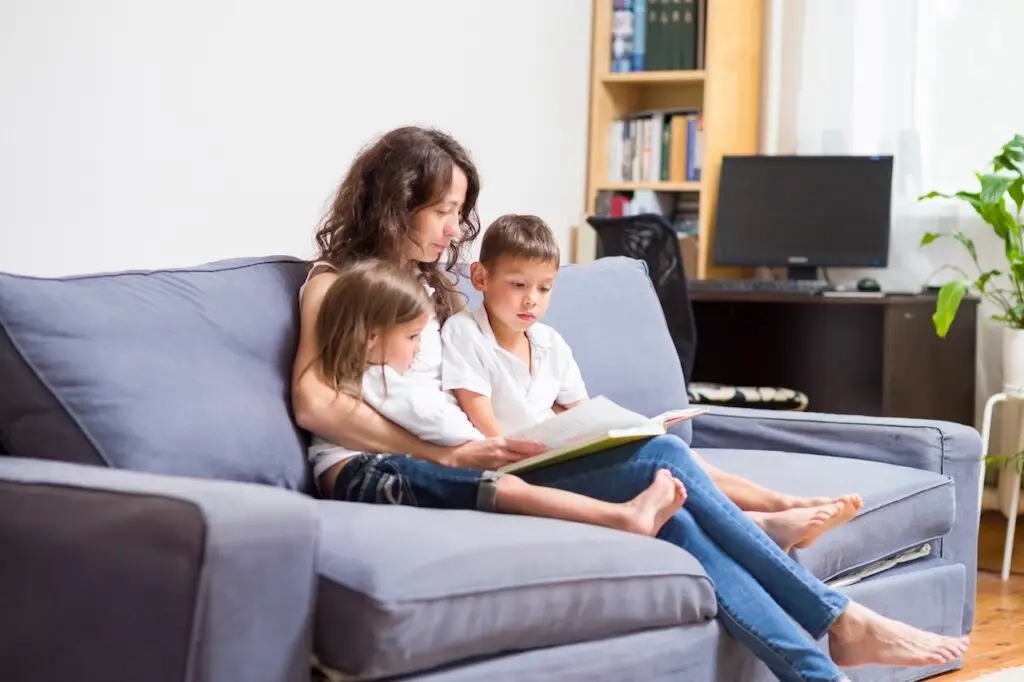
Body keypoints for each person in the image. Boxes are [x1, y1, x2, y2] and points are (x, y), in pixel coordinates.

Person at [290, 125, 968, 682]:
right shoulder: (337, 282)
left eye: (458, 210)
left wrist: (498, 438)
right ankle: (838, 619)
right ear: (394, 202)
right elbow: (315, 401)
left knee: (677, 520)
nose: (455, 226)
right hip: (409, 463)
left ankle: (818, 671)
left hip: (469, 451)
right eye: (441, 210)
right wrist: (452, 449)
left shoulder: (426, 290)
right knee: (663, 457)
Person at [441, 213, 860, 552]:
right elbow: (479, 417)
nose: (531, 299)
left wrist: (623, 430)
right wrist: (510, 465)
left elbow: (580, 411)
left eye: (544, 288)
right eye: (517, 285)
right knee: (663, 458)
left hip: (556, 457)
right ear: (480, 279)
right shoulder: (465, 332)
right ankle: (770, 515)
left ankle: (771, 512)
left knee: (664, 449)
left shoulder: (549, 342)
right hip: (519, 474)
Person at [299, 257, 687, 536]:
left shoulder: (372, 369)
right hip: (365, 474)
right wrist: (482, 443)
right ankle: (621, 518)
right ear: (371, 337)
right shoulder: (379, 378)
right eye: (413, 338)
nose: (419, 350)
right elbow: (432, 419)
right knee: (503, 487)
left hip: (379, 465)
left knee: (508, 484)